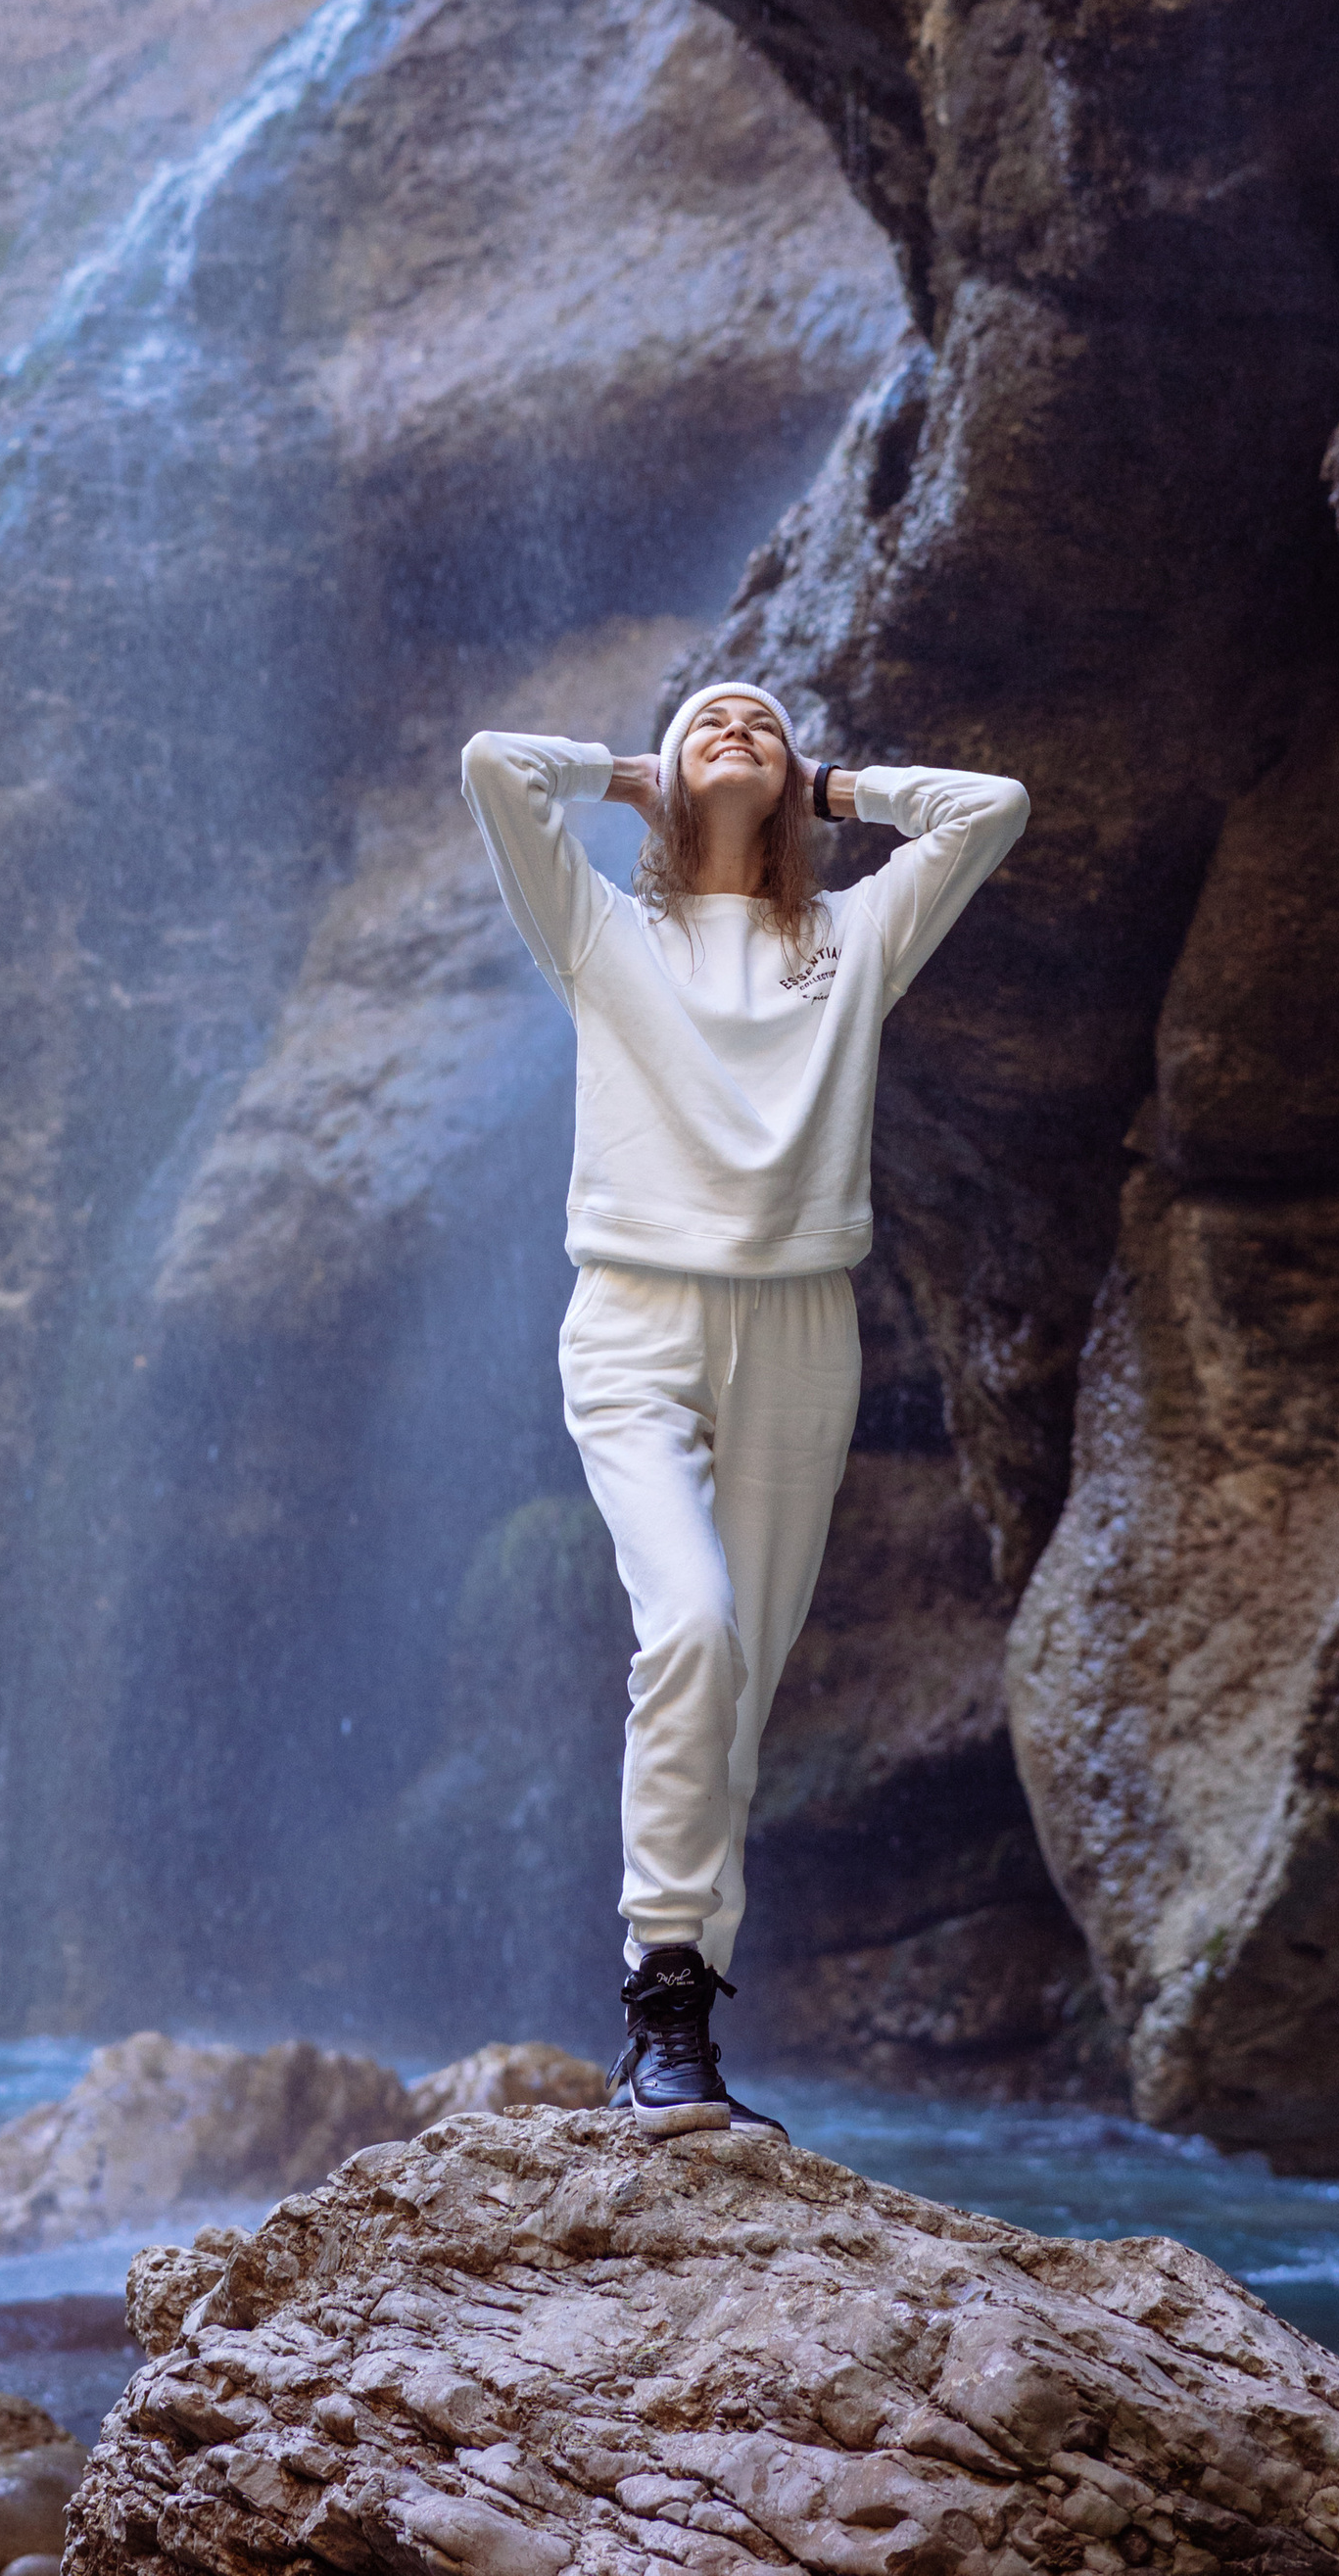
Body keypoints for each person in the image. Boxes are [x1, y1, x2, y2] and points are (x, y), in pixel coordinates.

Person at [460, 682, 1029, 2136]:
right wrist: (627, 772)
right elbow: (489, 767)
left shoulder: (850, 944)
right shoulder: (603, 934)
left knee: (744, 1687)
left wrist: (829, 789)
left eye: (762, 727)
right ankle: (659, 1992)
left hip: (799, 1329)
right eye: (708, 718)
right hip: (635, 1320)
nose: (736, 731)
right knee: (692, 1627)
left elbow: (990, 810)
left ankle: (682, 2047)